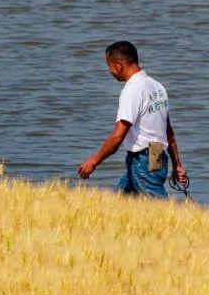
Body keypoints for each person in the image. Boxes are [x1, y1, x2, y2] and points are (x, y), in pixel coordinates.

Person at [78, 41, 188, 198]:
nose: (110, 70)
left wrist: (93, 161)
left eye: (109, 65)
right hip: (156, 151)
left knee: (158, 207)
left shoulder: (131, 90)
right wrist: (177, 165)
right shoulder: (157, 87)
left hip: (142, 157)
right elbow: (168, 132)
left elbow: (118, 136)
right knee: (119, 201)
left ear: (119, 64)